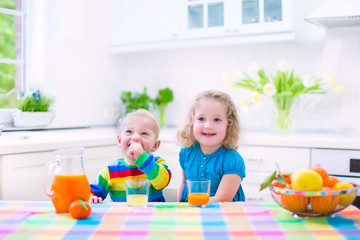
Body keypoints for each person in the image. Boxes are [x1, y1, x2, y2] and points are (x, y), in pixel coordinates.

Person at [176, 90, 246, 202]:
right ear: (192, 122)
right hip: (190, 213)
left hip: (222, 214)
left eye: (217, 120)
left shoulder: (232, 160)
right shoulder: (186, 153)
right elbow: (184, 183)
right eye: (201, 119)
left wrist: (192, 205)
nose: (208, 126)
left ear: (228, 125)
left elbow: (223, 199)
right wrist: (178, 208)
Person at [90, 109, 171, 203]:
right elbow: (91, 193)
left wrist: (142, 158)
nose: (135, 137)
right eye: (129, 131)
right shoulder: (110, 170)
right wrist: (92, 197)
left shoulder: (157, 164)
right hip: (122, 217)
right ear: (119, 140)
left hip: (153, 216)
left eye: (144, 133)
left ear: (155, 145)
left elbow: (162, 182)